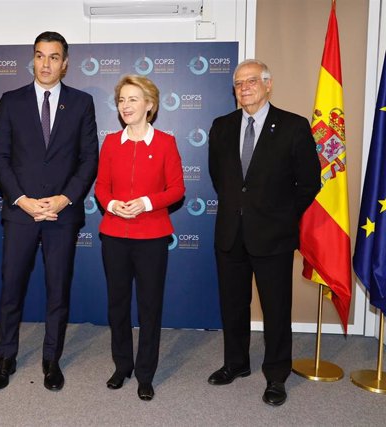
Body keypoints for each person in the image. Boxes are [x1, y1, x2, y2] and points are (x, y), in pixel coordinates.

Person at [0, 31, 98, 391]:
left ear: (65, 63)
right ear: (32, 60)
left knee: (57, 291)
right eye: (40, 56)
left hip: (62, 216)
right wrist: (22, 199)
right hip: (20, 213)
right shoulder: (10, 101)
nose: (46, 63)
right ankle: (6, 357)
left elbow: (88, 160)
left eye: (53, 57)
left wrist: (64, 199)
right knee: (11, 290)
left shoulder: (82, 103)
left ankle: (51, 360)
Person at [207, 59, 320, 406]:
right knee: (233, 306)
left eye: (252, 81)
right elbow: (220, 178)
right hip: (230, 233)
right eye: (239, 83)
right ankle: (236, 363)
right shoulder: (222, 126)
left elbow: (309, 183)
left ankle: (276, 377)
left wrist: (280, 214)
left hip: (273, 235)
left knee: (275, 310)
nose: (245, 88)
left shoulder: (293, 126)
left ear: (268, 85)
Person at [95, 75, 185, 401]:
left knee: (149, 307)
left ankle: (145, 373)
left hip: (152, 237)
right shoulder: (110, 143)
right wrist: (112, 204)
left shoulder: (165, 142)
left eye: (133, 99)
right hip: (115, 236)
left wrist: (146, 202)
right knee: (117, 305)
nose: (125, 106)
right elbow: (101, 187)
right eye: (121, 100)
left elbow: (177, 189)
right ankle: (123, 366)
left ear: (149, 105)